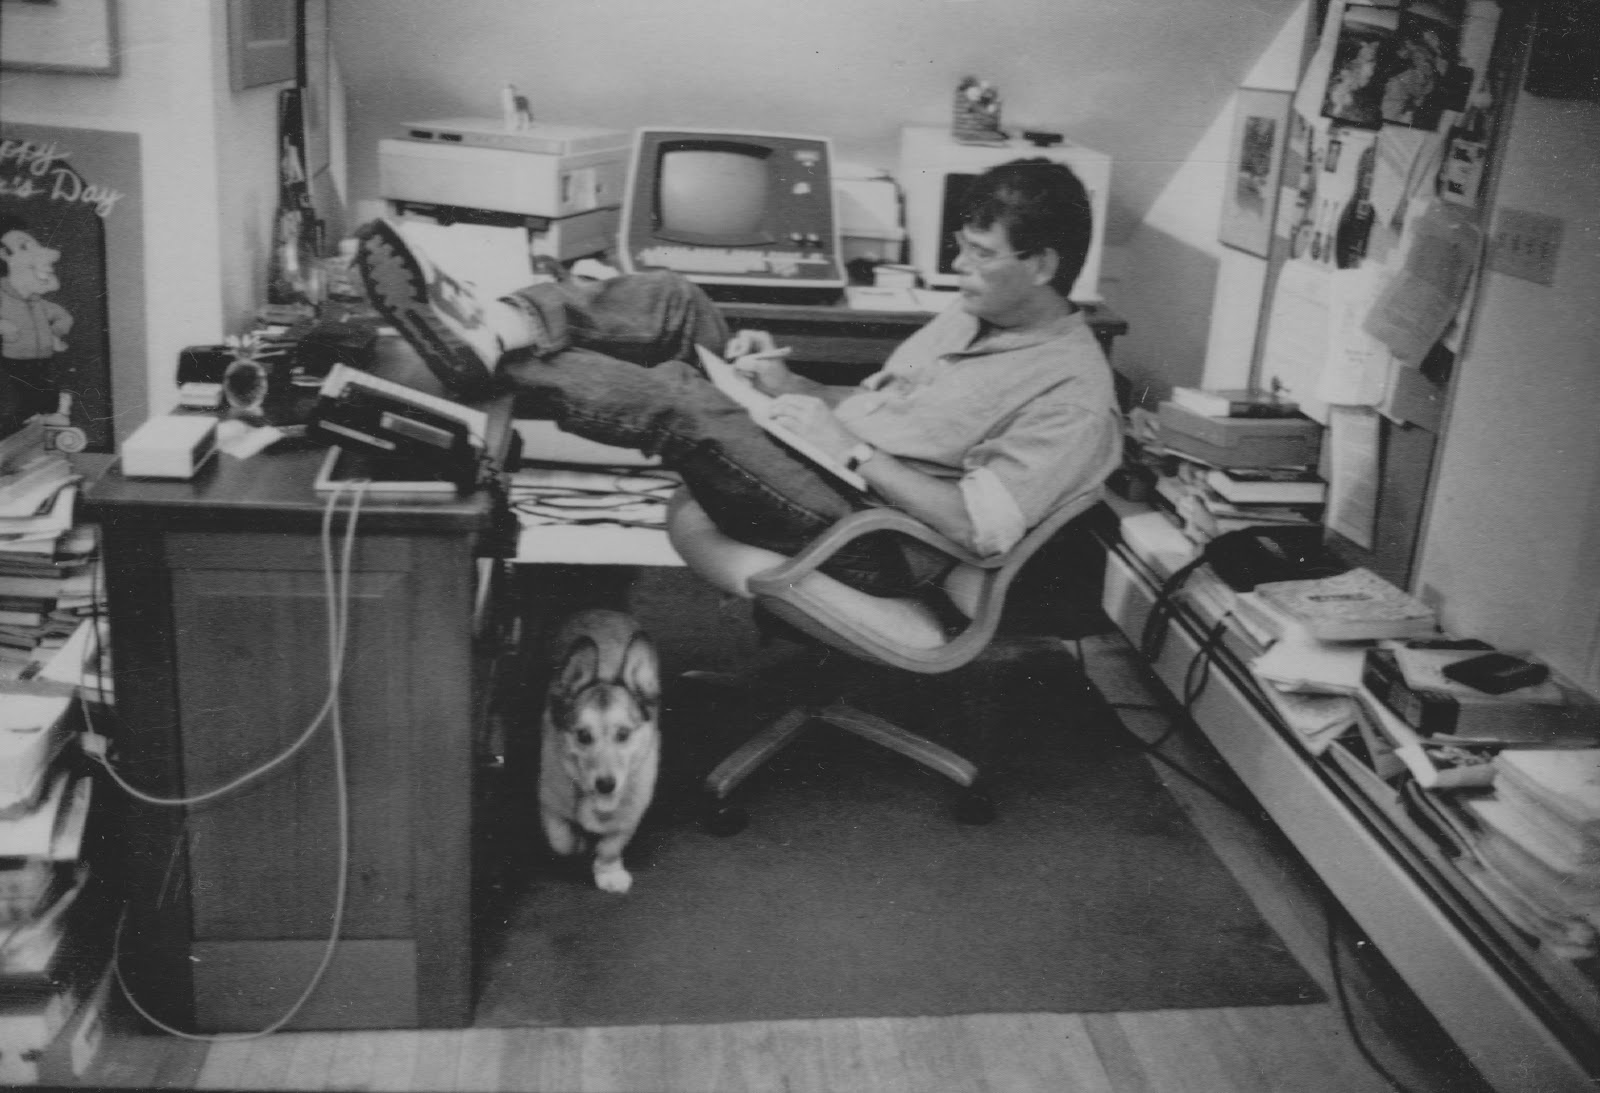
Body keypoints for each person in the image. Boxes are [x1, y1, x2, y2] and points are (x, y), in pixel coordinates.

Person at [354, 158, 1121, 598]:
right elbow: (878, 408)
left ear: (1044, 265)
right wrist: (789, 385)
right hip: (827, 464)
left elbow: (975, 526)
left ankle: (491, 354)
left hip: (875, 536)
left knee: (686, 401)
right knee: (675, 298)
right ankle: (498, 330)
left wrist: (851, 454)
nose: (960, 268)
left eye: (980, 253)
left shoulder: (1073, 393)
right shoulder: (972, 314)